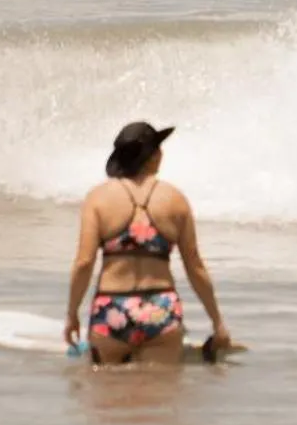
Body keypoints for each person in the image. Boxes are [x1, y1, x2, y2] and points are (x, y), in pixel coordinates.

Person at [63, 121, 231, 365]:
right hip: (161, 308)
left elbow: (84, 262)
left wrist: (72, 315)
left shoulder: (98, 199)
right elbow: (195, 267)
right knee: (160, 395)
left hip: (112, 308)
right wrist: (217, 322)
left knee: (106, 395)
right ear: (153, 157)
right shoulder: (175, 199)